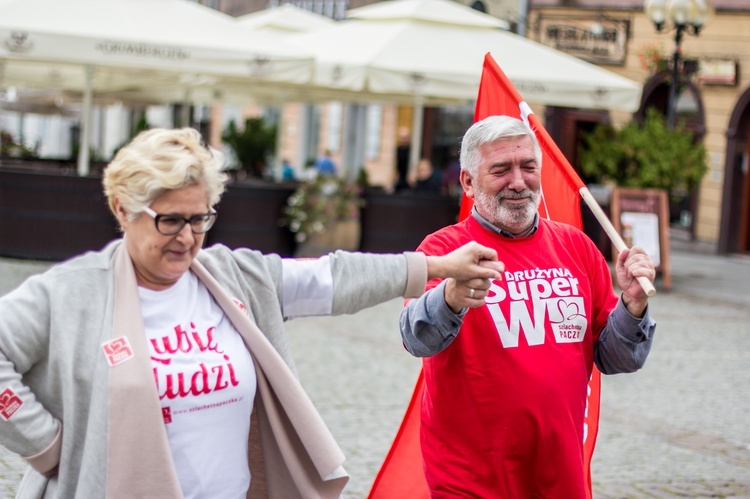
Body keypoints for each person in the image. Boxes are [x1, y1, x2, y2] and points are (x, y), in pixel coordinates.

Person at [0, 127, 502, 499]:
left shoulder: (235, 277)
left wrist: (437, 266)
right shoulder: (71, 294)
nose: (187, 238)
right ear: (121, 209)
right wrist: (44, 444)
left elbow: (334, 278)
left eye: (200, 219)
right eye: (170, 220)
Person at [399, 116, 657, 497]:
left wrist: (632, 306)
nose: (518, 182)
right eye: (501, 169)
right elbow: (415, 338)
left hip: (560, 471)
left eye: (528, 167)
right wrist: (451, 297)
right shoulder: (442, 249)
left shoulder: (577, 247)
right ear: (468, 182)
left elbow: (616, 358)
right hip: (471, 476)